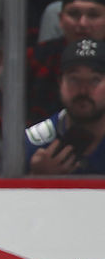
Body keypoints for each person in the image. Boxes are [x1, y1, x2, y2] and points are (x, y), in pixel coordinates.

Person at [28, 0, 105, 124]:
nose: (83, 23)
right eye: (74, 14)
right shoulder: (36, 58)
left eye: (93, 15)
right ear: (61, 19)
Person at [27, 38, 105, 175]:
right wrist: (37, 180)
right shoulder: (33, 143)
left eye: (95, 80)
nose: (83, 91)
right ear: (60, 83)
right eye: (74, 79)